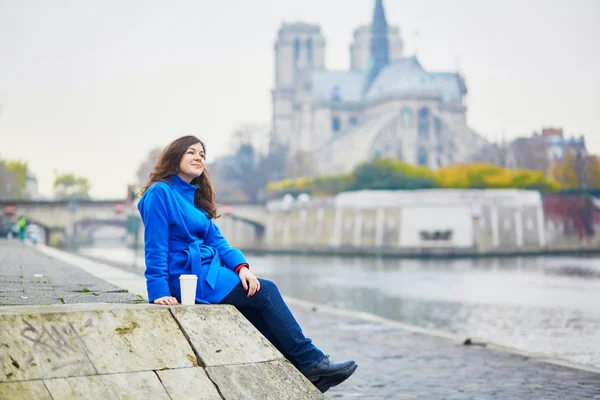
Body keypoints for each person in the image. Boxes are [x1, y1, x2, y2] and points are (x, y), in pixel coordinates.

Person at [138, 135, 357, 393]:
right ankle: (312, 361)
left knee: (255, 304)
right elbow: (155, 244)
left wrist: (242, 268)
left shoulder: (192, 198)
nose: (199, 158)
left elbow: (217, 240)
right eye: (191, 152)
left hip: (208, 272)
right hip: (186, 276)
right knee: (266, 291)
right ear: (175, 157)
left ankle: (303, 371)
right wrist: (159, 292)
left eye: (202, 154)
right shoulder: (159, 193)